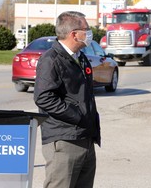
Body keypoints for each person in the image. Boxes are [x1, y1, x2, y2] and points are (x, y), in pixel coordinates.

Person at [34, 11, 101, 188]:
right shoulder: (51, 59)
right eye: (86, 30)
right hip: (64, 140)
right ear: (74, 34)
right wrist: (77, 116)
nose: (89, 34)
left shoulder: (81, 57)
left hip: (85, 137)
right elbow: (43, 97)